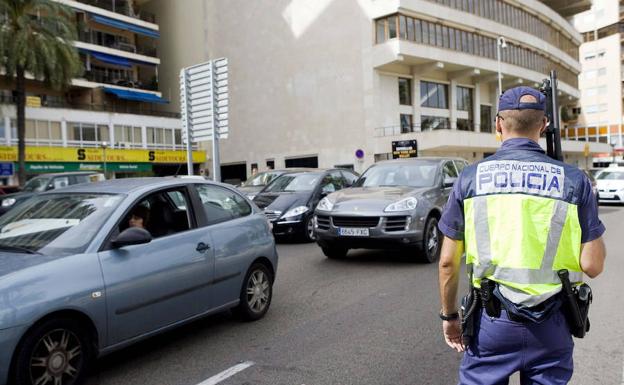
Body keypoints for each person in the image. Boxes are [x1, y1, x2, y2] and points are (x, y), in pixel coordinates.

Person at [437, 86, 606, 385]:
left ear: (499, 125)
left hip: (491, 323)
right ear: (543, 126)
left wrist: (450, 317)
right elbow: (593, 265)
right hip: (552, 324)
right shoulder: (575, 181)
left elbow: (448, 263)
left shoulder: (470, 178)